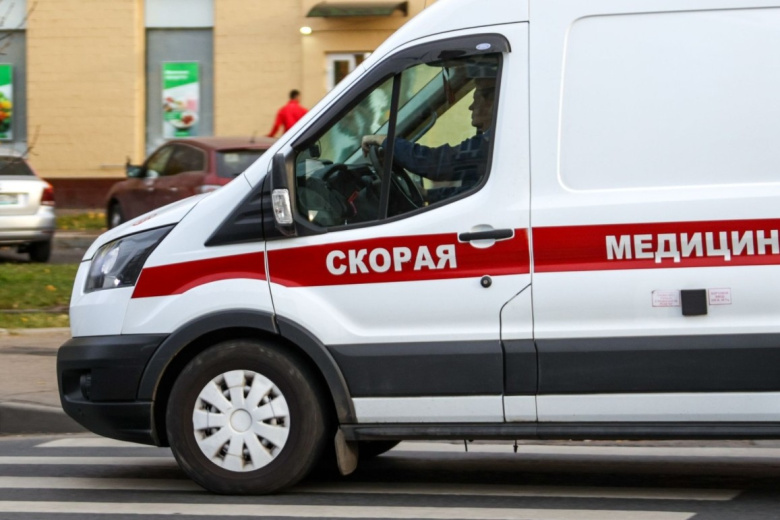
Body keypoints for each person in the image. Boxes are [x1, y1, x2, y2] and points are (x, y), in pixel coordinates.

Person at [361, 78, 495, 199]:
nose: (471, 106)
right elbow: (470, 189)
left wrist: (385, 141)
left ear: (491, 104)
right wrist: (426, 194)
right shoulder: (490, 142)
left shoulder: (488, 146)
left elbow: (434, 163)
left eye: (476, 99)